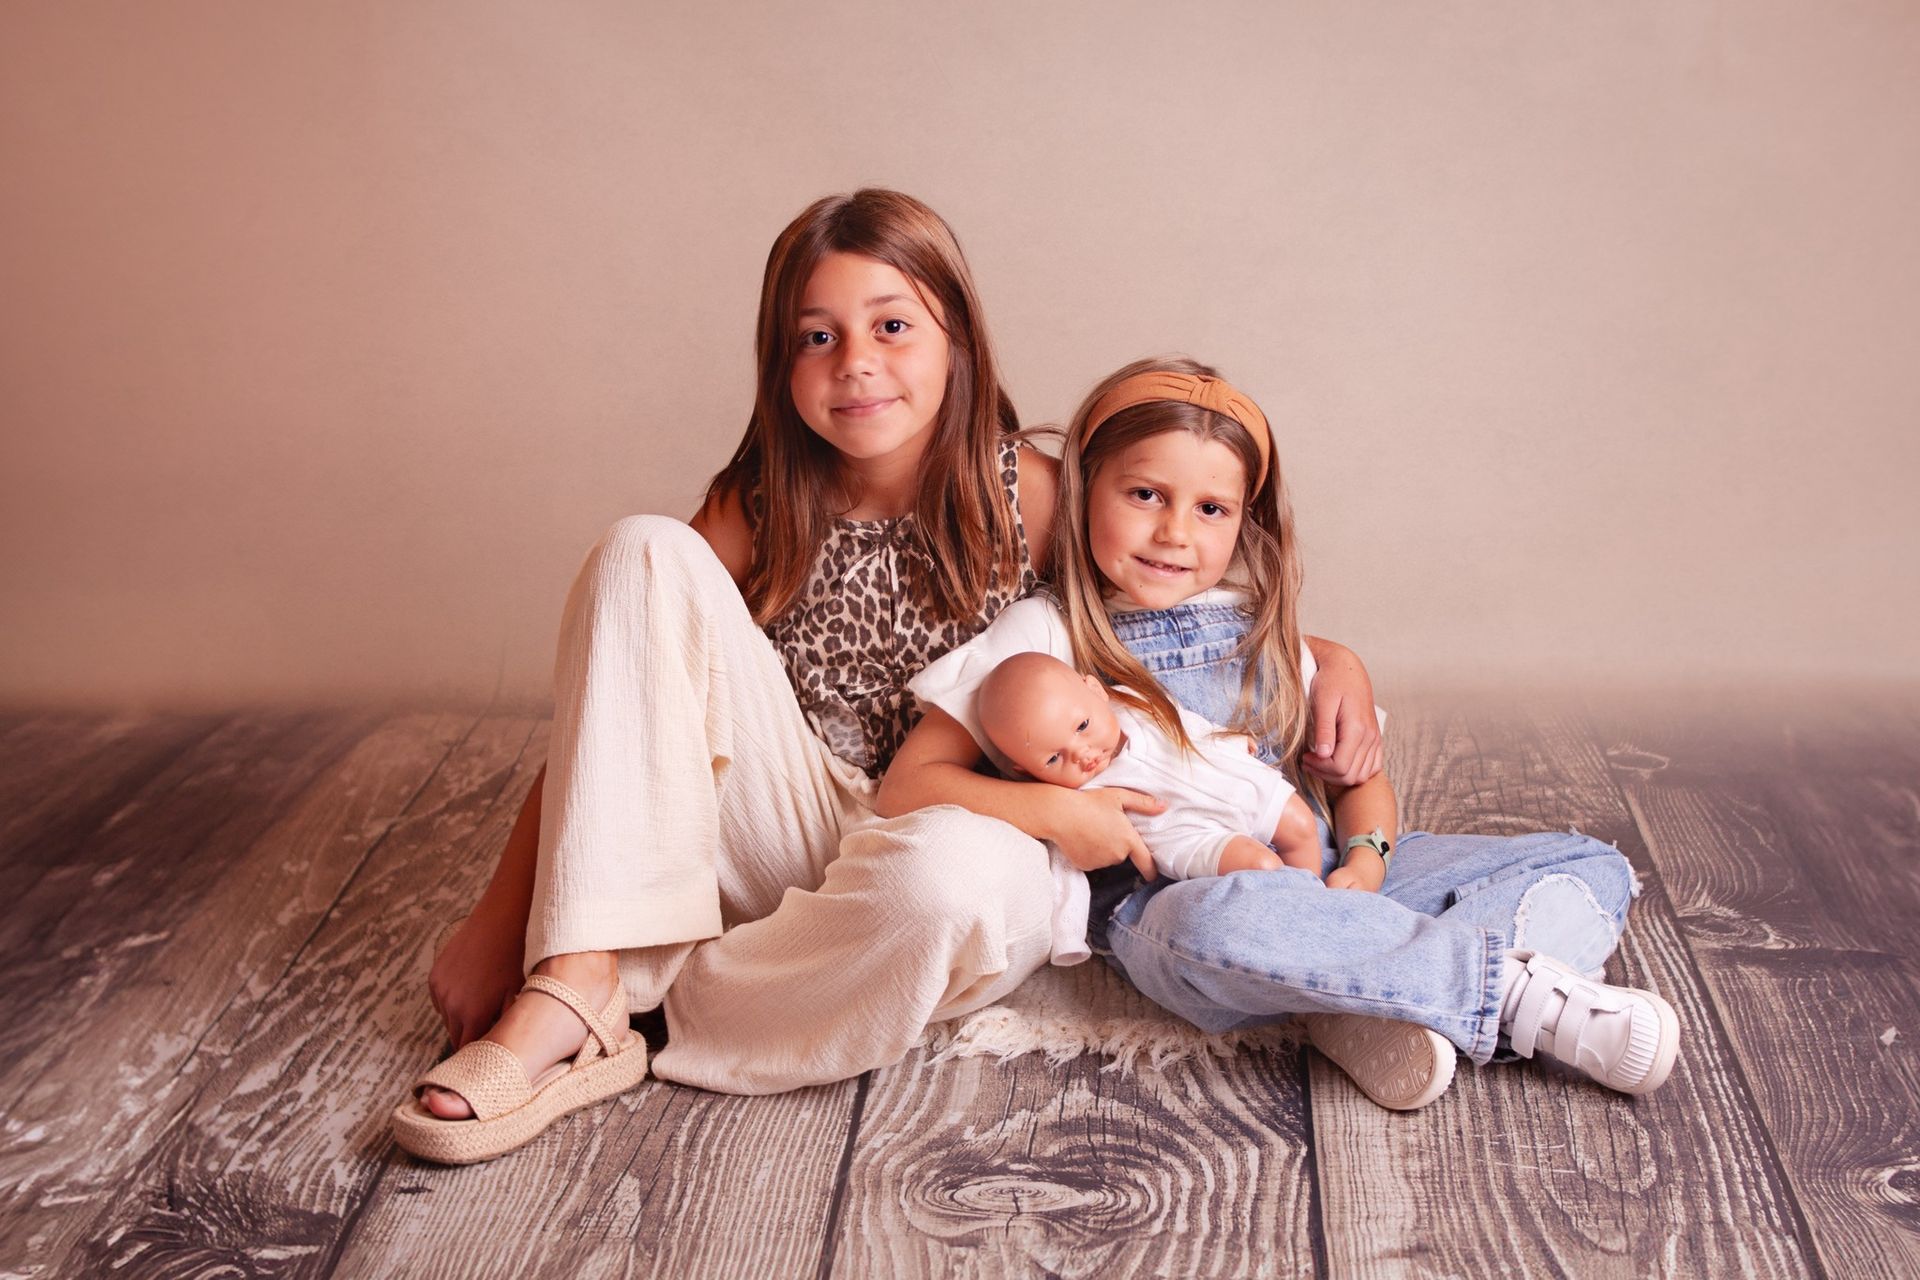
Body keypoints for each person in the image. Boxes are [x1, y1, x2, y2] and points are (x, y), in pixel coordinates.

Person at [390, 193, 1386, 1163]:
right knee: (639, 550)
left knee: (945, 886)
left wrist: (1330, 656)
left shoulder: (1031, 495)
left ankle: (668, 998)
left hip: (972, 827)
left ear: (959, 341)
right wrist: (503, 917)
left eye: (893, 325)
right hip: (793, 819)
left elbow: (1166, 603)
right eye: (816, 337)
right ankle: (578, 978)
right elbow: (623, 705)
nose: (856, 361)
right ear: (781, 363)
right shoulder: (758, 506)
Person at [883, 357, 1682, 1112]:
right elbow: (907, 787)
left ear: (1244, 520)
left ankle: (1362, 994)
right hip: (1178, 904)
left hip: (1330, 883)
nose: (1175, 533)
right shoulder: (1045, 633)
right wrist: (1061, 811)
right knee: (1221, 923)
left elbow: (1358, 782)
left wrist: (1367, 864)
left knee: (1594, 866)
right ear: (1086, 489)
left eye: (1210, 509)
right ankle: (1508, 995)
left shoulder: (1263, 633)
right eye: (1145, 495)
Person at [976, 650, 1326, 880]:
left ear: (1096, 691)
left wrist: (1226, 740)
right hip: (1189, 836)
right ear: (1027, 772)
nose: (1081, 754)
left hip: (1226, 782)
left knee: (1301, 824)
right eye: (1054, 758)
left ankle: (1313, 898)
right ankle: (1290, 906)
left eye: (1082, 726)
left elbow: (1184, 723)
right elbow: (1067, 871)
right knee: (1261, 866)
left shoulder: (1135, 702)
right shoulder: (1077, 798)